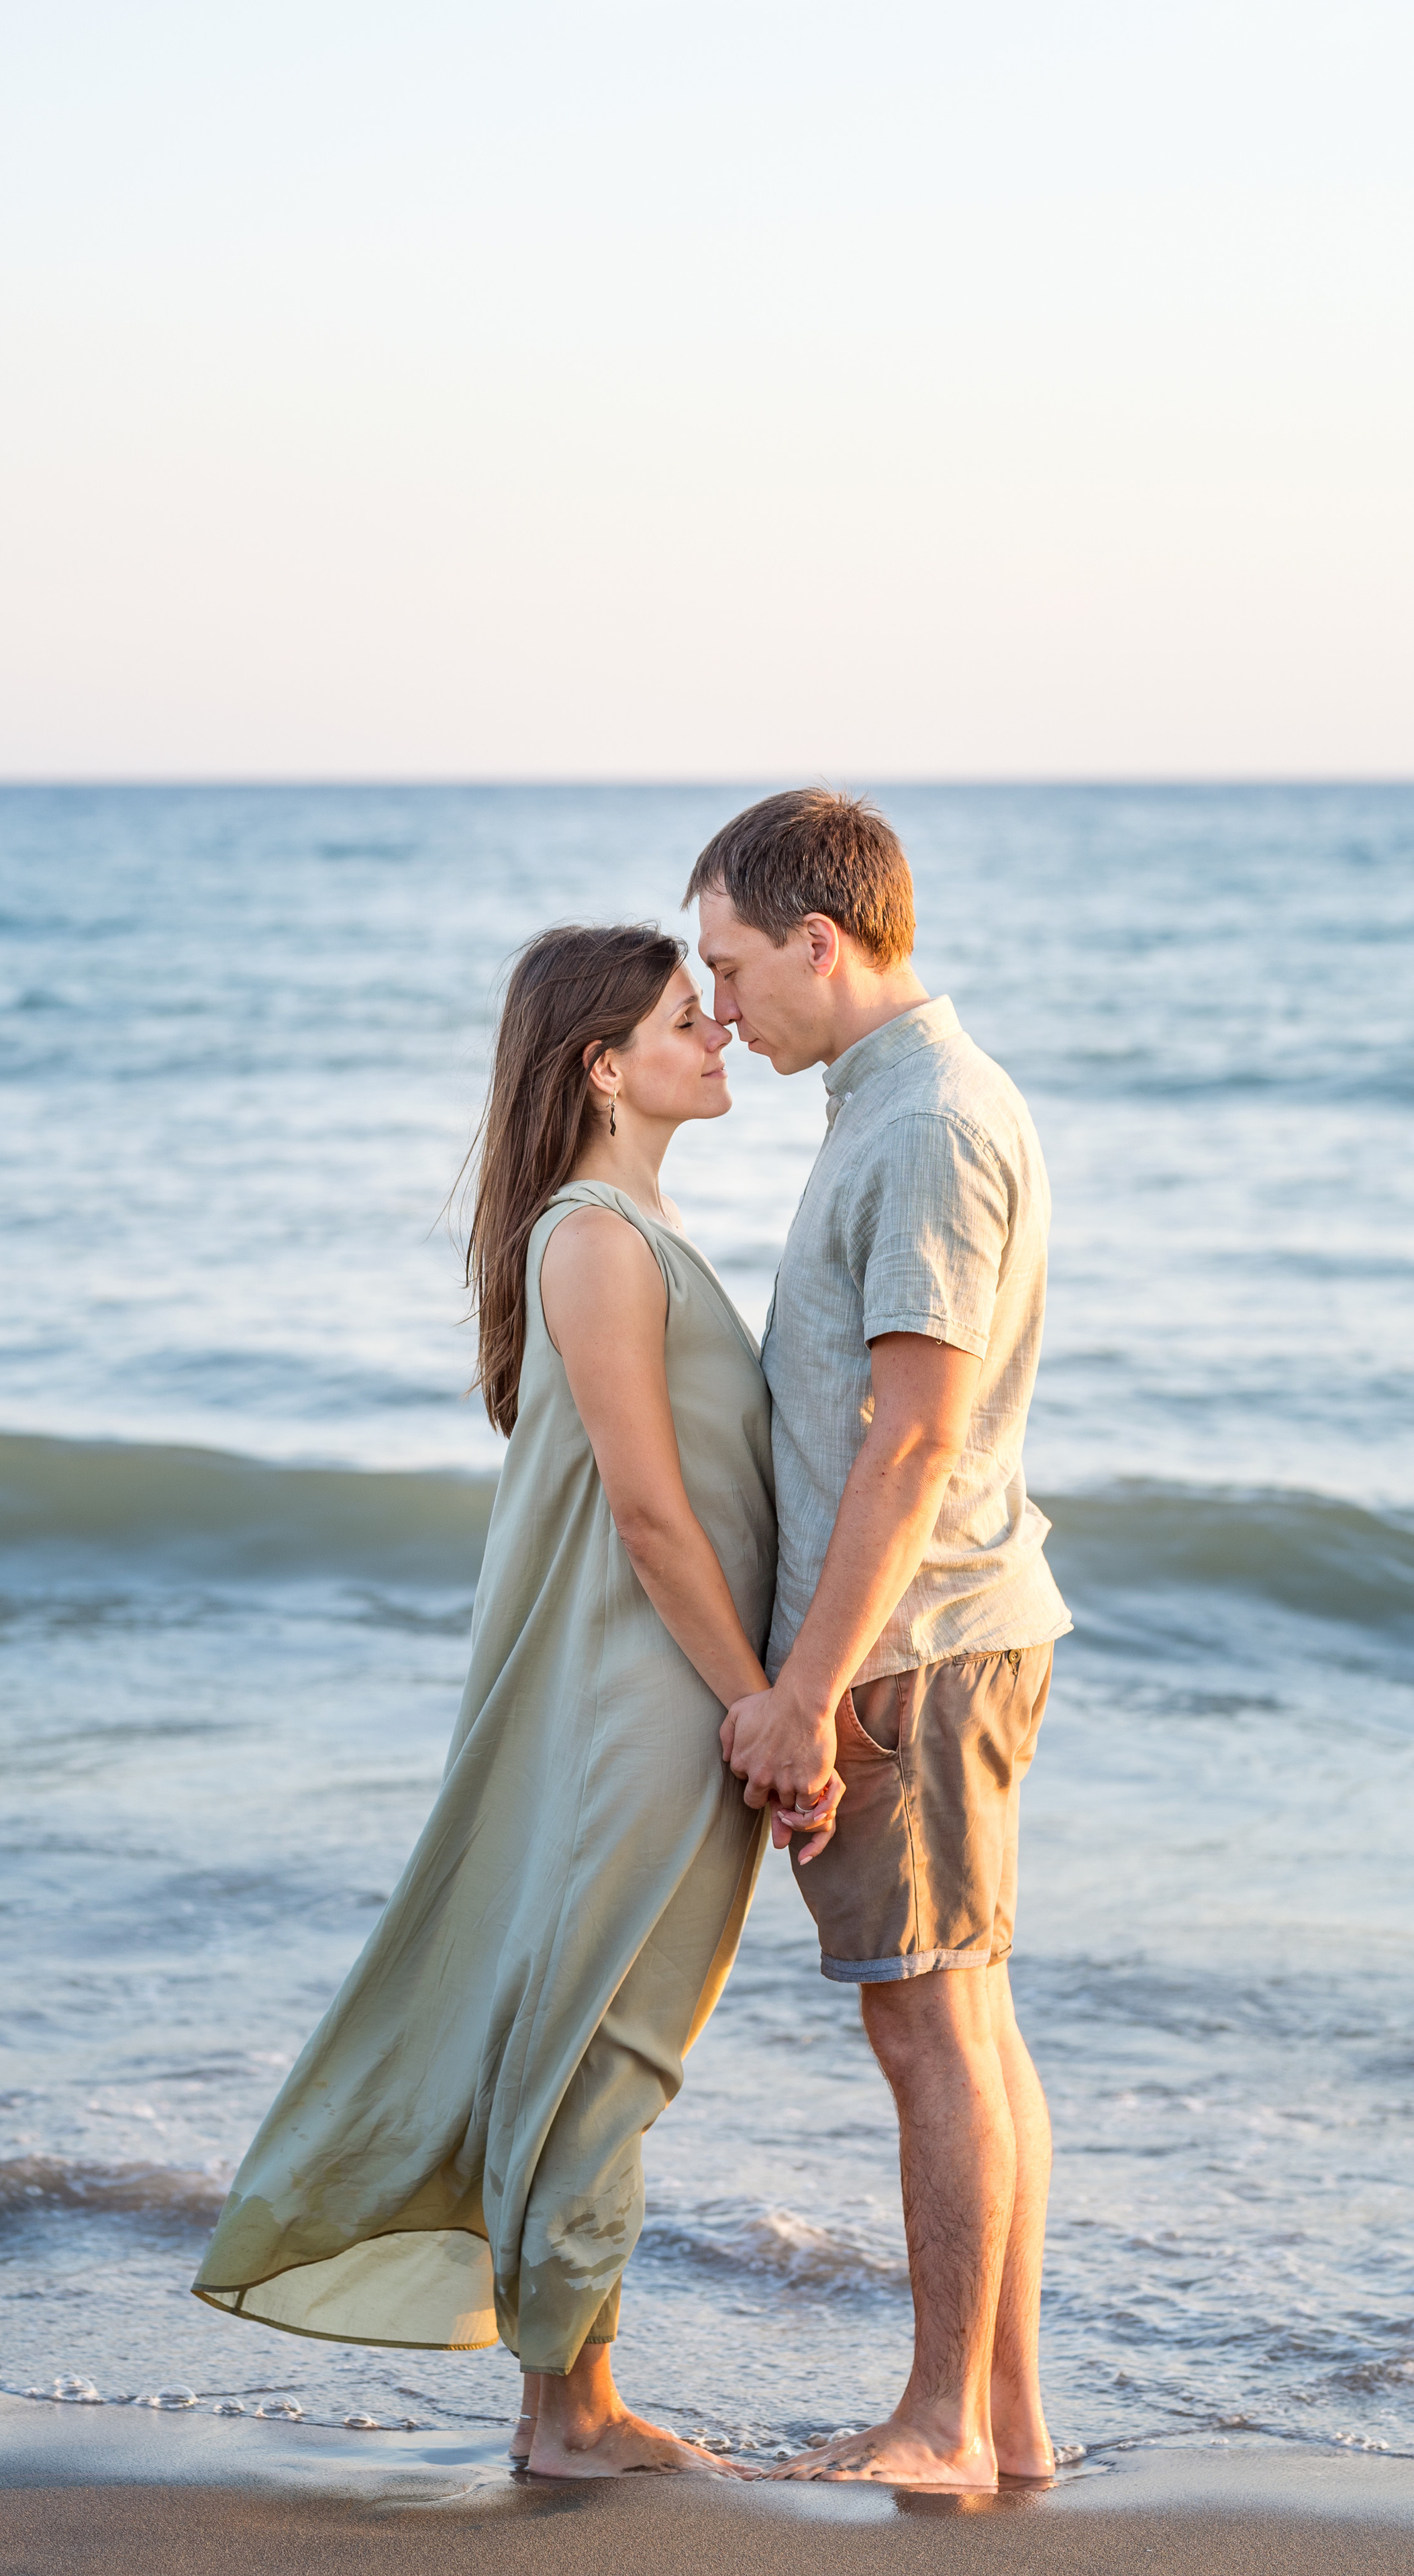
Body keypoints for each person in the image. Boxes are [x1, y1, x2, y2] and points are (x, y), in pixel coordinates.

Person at [192, 922, 839, 2479]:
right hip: (645, 1697)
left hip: (666, 1690)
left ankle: (565, 2395)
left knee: (603, 2028)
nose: (721, 1034)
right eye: (689, 1018)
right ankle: (572, 2413)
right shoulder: (595, 1236)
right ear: (602, 1066)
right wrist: (762, 1702)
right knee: (609, 2033)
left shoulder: (632, 1223)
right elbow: (647, 1513)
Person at [687, 790, 1072, 2491]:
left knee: (927, 2025)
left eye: (729, 963)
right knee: (963, 2017)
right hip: (933, 1633)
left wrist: (802, 1690)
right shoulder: (893, 1102)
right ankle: (1003, 2422)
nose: (716, 1006)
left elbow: (908, 1437)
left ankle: (942, 2422)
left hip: (910, 1647)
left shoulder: (919, 1122)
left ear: (817, 944)